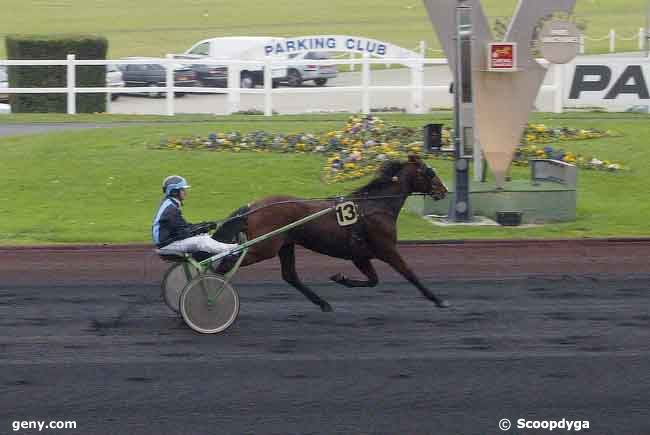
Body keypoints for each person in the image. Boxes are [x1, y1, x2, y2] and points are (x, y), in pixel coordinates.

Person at [152, 175, 237, 255]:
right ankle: (234, 249)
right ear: (175, 192)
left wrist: (202, 226)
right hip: (167, 245)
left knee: (204, 237)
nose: (185, 192)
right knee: (202, 241)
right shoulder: (171, 209)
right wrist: (203, 228)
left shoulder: (169, 204)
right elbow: (184, 232)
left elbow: (183, 227)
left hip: (167, 241)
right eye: (183, 190)